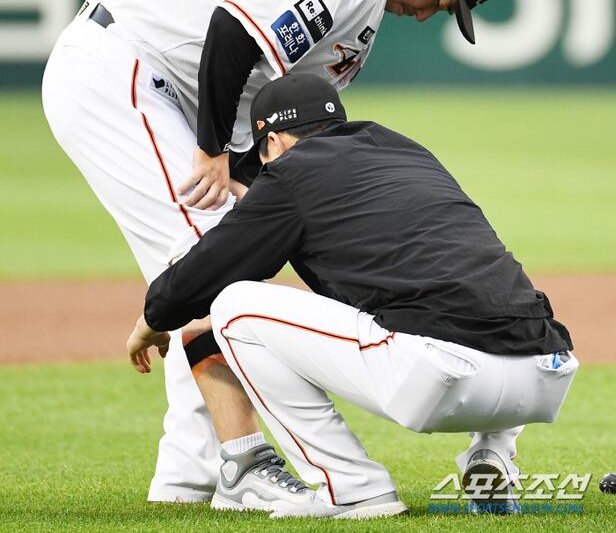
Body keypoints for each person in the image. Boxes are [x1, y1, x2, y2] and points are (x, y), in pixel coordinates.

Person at [43, 0, 507, 505]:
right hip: (123, 64)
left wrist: (255, 181)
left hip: (161, 79)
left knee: (217, 257)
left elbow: (271, 99)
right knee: (209, 262)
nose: (426, 15)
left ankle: (190, 476)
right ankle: (240, 464)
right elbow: (231, 31)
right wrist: (212, 150)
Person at [128, 74, 578, 519]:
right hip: (544, 370)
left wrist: (150, 322)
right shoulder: (403, 150)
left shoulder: (289, 173)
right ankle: (492, 454)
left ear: (274, 142)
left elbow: (201, 276)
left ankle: (354, 488)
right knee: (475, 291)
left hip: (442, 377)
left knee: (232, 307)